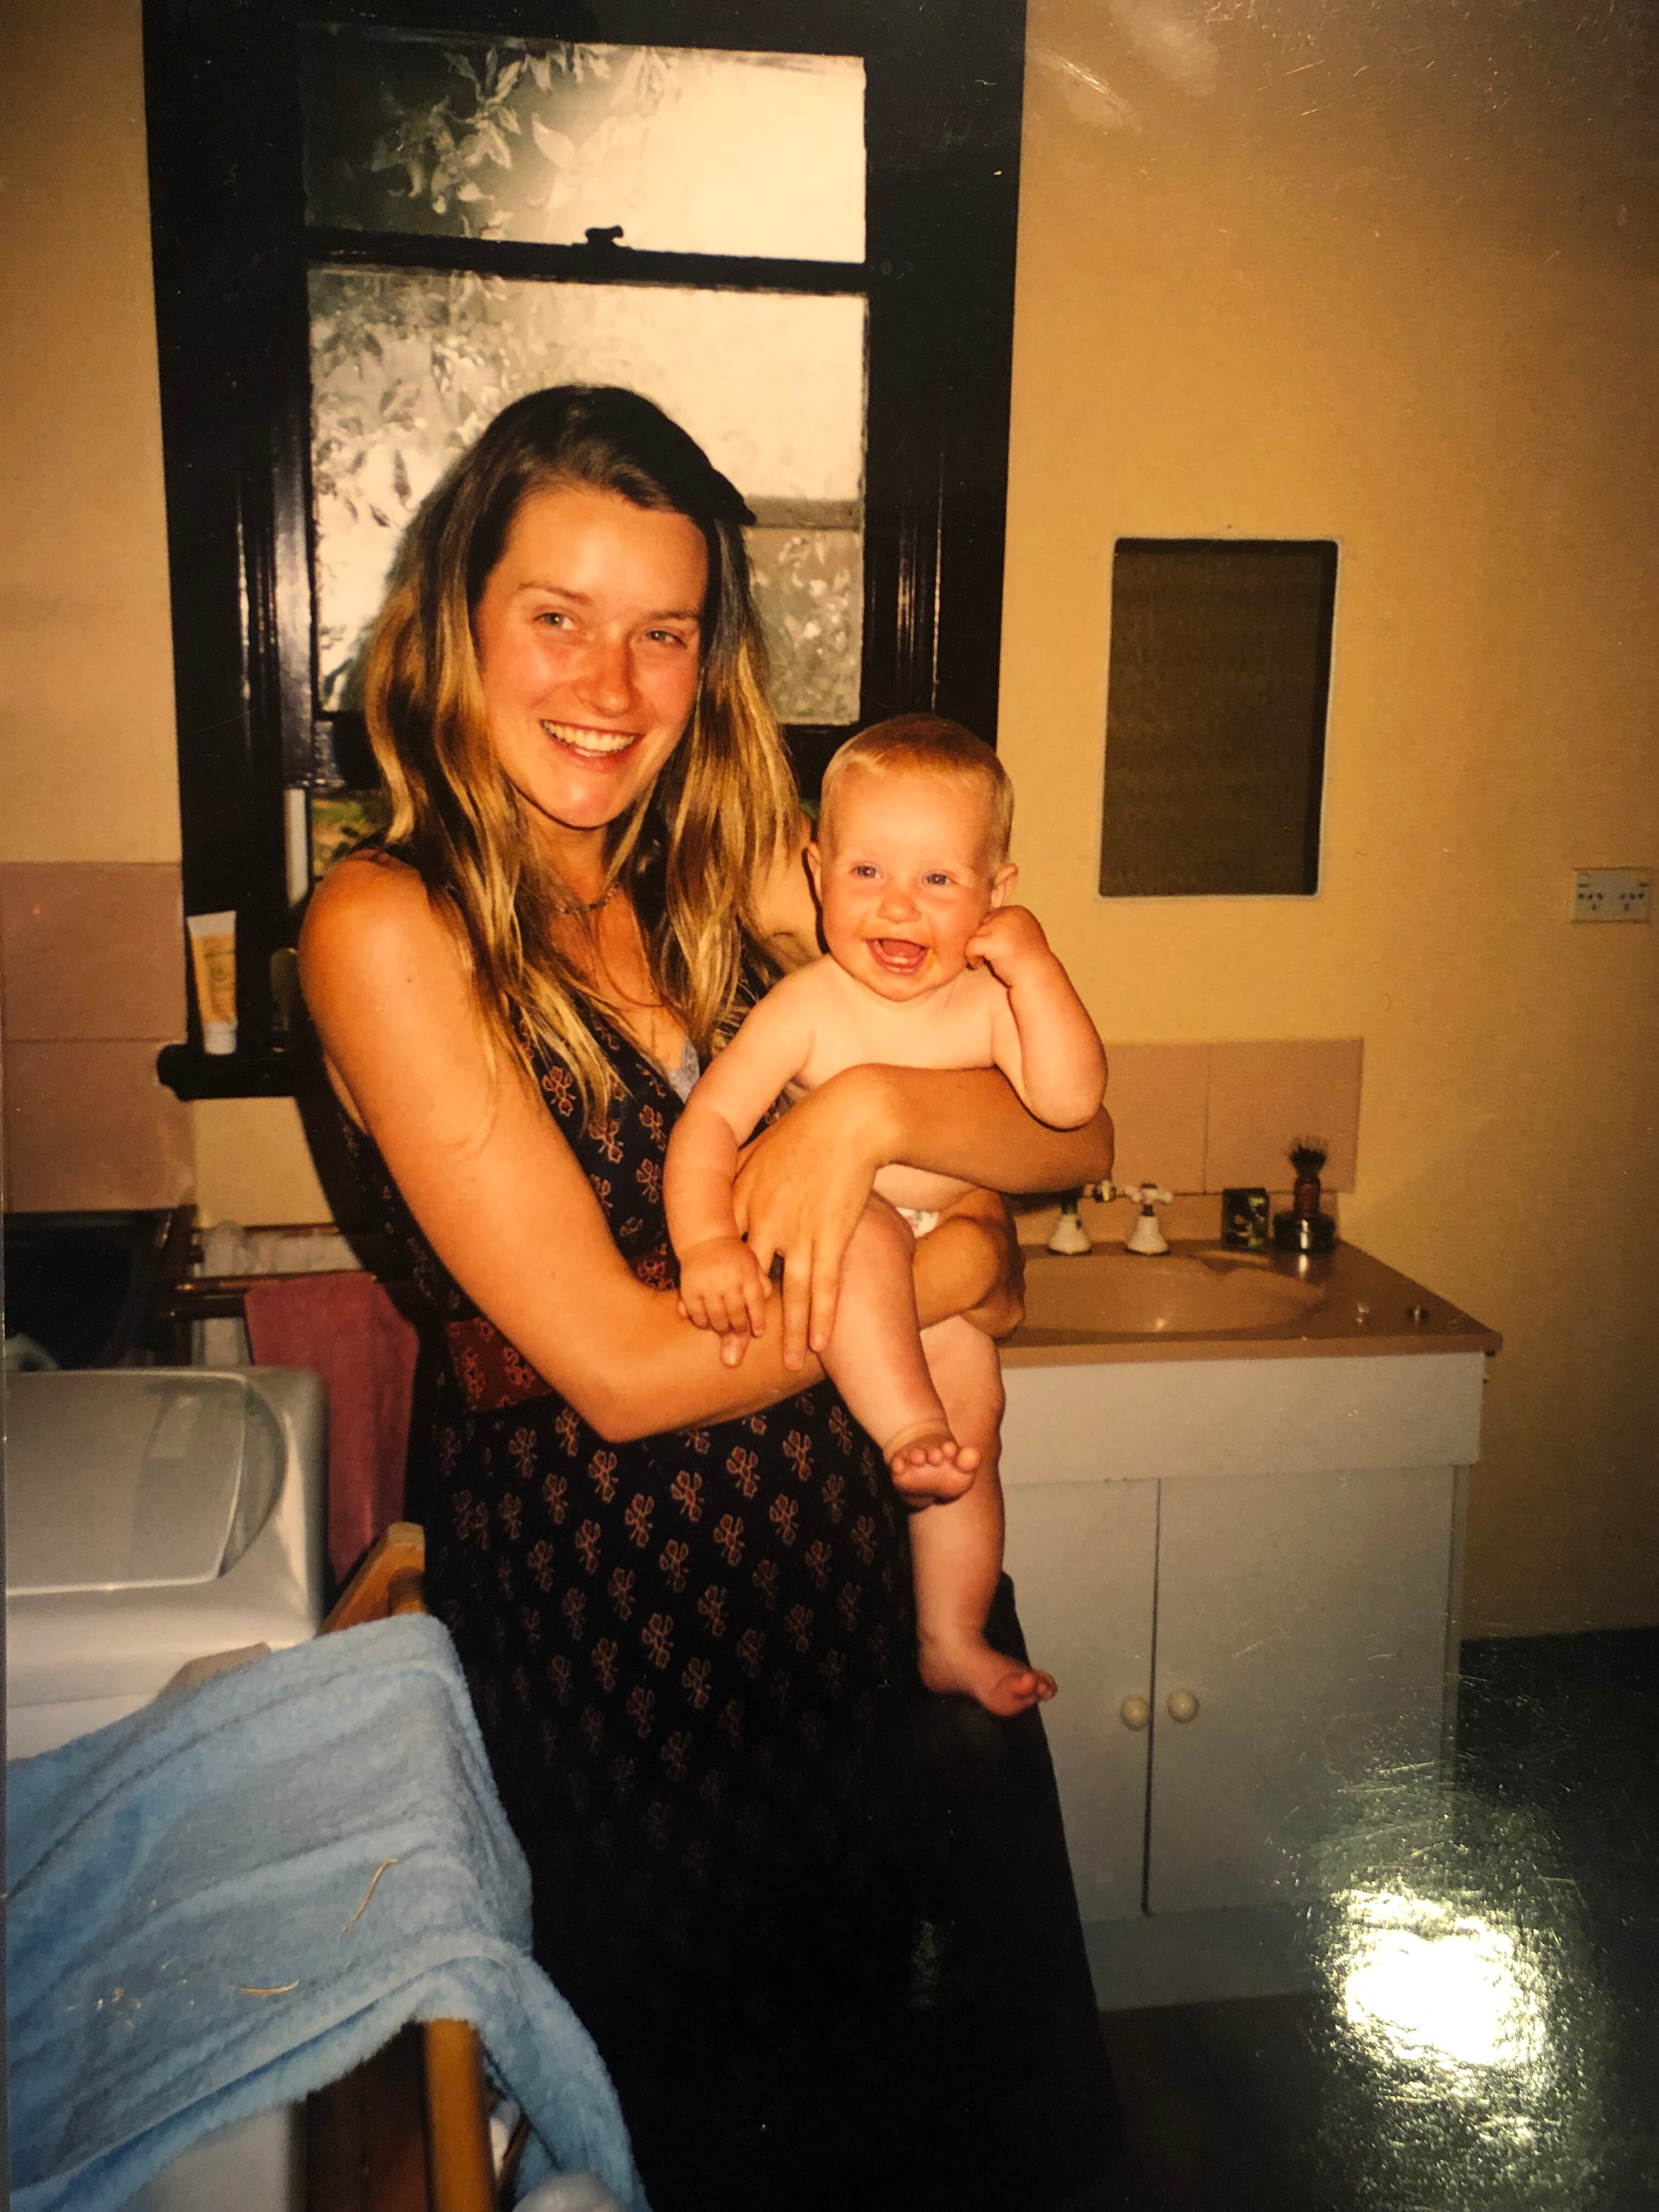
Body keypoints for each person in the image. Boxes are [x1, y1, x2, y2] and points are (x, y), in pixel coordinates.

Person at [300, 385, 1121, 2211]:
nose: (612, 684)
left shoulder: (735, 874)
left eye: (662, 632)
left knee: (912, 2113)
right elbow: (617, 1368)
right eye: (558, 617)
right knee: (707, 2129)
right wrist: (953, 1260)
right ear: (455, 621)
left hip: (864, 1585)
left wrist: (879, 1117)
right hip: (627, 1654)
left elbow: (1074, 1137)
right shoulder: (386, 924)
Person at [665, 715, 1107, 1718]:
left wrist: (1036, 970)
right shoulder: (808, 1005)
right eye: (866, 872)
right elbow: (711, 1126)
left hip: (944, 1257)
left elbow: (1072, 1105)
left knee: (975, 1436)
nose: (898, 905)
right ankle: (904, 1424)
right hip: (846, 1236)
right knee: (870, 1250)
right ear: (816, 872)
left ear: (997, 893)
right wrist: (706, 1244)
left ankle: (951, 1634)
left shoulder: (990, 1000)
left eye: (939, 880)